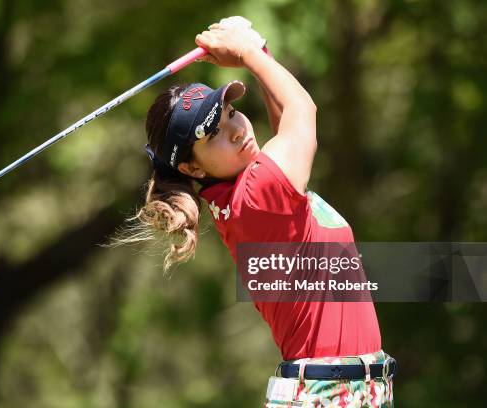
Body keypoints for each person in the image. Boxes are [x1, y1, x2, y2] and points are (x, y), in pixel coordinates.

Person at [117, 19, 396, 407]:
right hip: (327, 393)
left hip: (347, 390)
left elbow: (285, 124)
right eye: (212, 134)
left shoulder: (249, 191)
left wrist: (260, 54)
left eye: (230, 111)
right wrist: (249, 52)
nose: (235, 129)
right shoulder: (256, 196)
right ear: (193, 169)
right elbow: (302, 111)